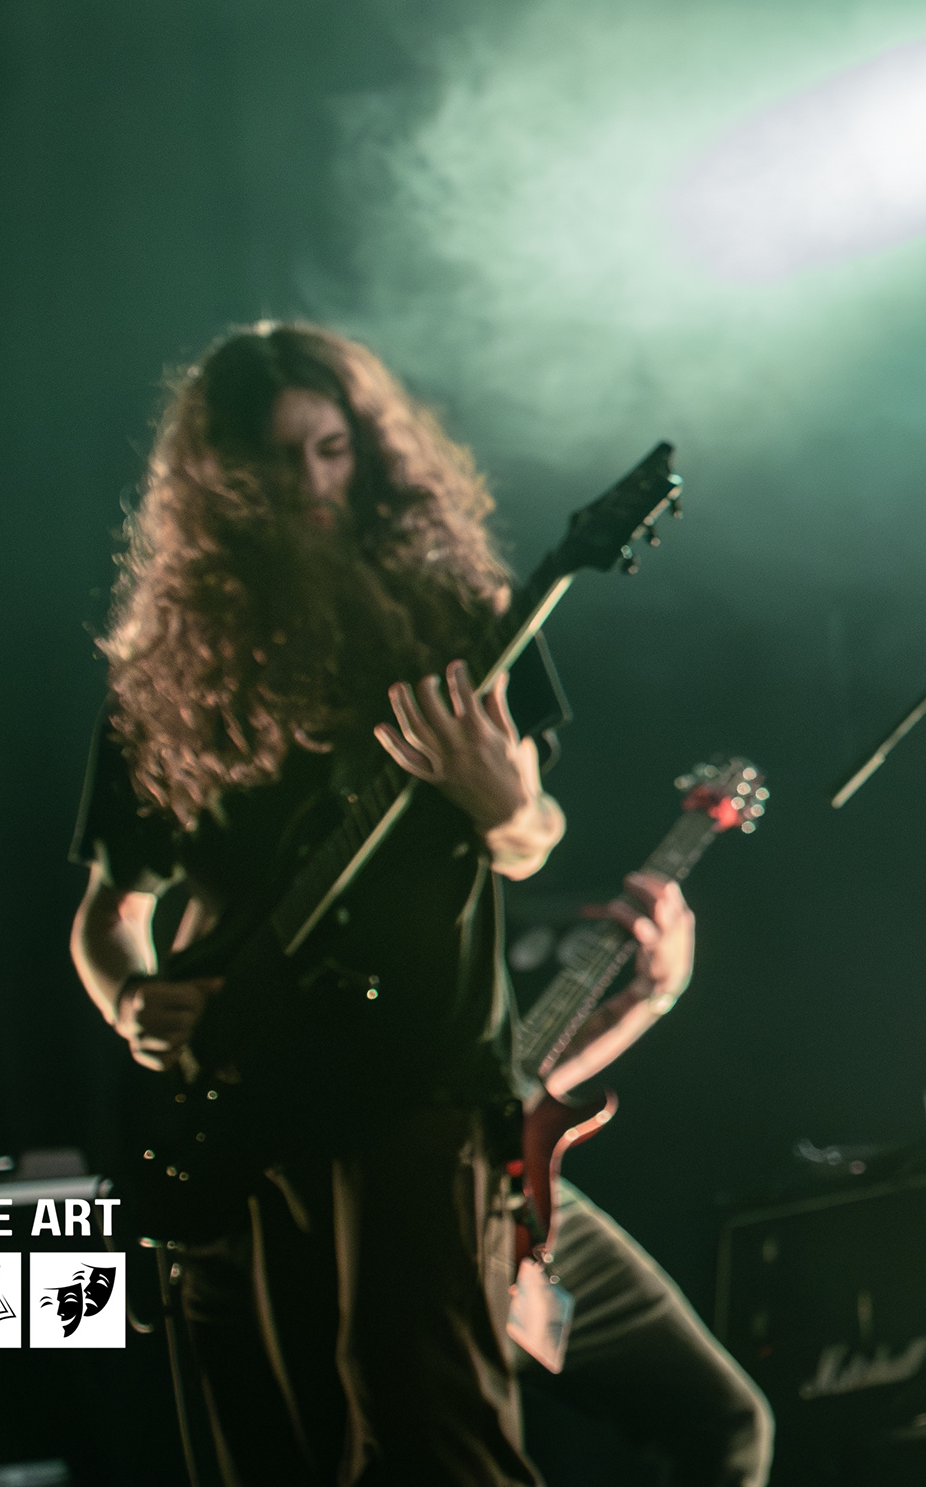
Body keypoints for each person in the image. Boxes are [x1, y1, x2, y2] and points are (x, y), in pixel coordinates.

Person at [70, 321, 565, 1487]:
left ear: (370, 452)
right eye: (278, 460)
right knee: (271, 1452)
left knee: (439, 1435)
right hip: (244, 1100)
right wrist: (130, 999)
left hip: (418, 1086)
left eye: (333, 449)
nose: (312, 483)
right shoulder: (166, 666)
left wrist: (501, 803)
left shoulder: (460, 619)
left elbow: (531, 840)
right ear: (219, 482)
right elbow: (109, 908)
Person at [518, 874, 777, 1487]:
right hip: (409, 1185)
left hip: (518, 1179)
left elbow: (522, 1077)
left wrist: (651, 993)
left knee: (729, 1428)